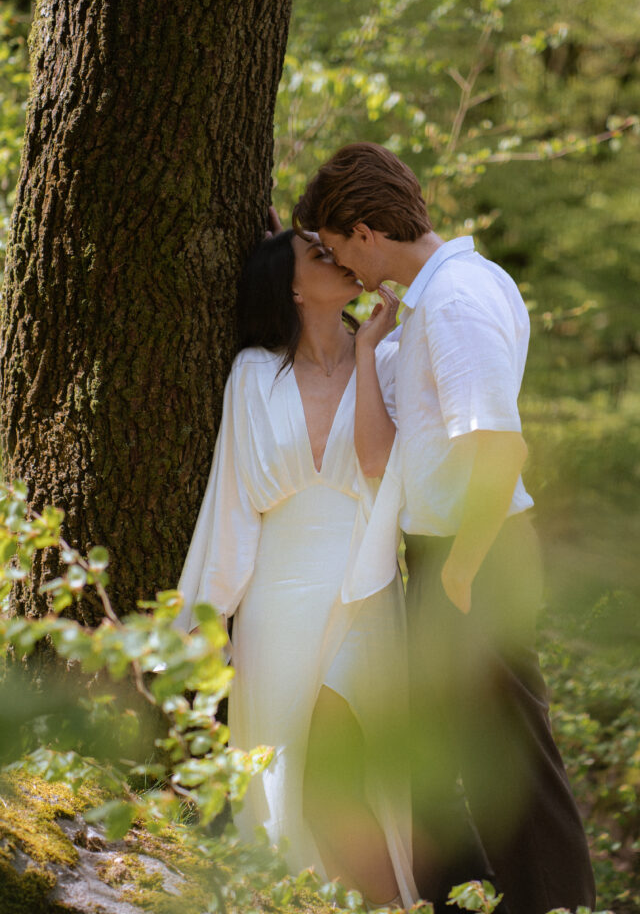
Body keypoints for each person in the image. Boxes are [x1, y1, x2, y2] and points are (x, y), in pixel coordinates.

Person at [292, 142, 596, 914]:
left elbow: (496, 443)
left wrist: (460, 570)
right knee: (456, 755)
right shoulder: (428, 305)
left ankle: (556, 905)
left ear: (364, 231)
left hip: (476, 550)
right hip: (449, 551)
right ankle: (479, 897)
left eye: (334, 250)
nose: (343, 269)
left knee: (514, 758)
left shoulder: (457, 299)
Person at [175, 226, 418, 909]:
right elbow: (230, 502)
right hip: (274, 603)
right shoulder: (252, 372)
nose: (339, 257)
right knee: (284, 775)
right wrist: (202, 619)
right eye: (320, 254)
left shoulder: (390, 357)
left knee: (350, 761)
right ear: (290, 285)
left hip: (362, 583)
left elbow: (378, 467)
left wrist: (368, 352)